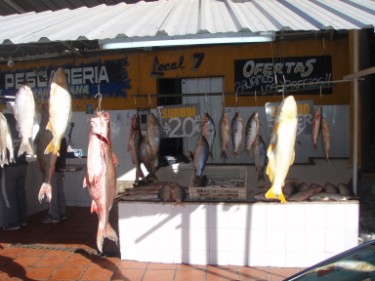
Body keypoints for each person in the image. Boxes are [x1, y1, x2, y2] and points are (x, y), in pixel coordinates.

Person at [2, 111, 28, 230]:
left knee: (11, 195)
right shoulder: (20, 126)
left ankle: (14, 223)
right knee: (21, 193)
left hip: (11, 166)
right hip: (23, 165)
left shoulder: (4, 128)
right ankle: (23, 220)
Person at [42, 137, 67, 224]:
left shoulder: (54, 138)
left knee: (53, 193)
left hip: (53, 169)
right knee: (60, 191)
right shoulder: (62, 138)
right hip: (60, 167)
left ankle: (54, 216)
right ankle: (62, 213)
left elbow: (51, 154)